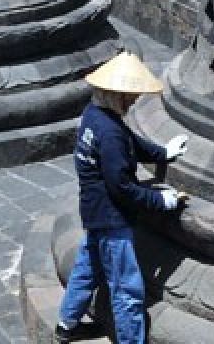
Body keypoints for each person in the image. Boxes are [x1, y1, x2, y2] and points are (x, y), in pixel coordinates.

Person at [55, 52, 189, 344]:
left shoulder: (94, 116)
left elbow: (130, 140)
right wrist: (160, 201)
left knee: (85, 270)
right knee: (126, 288)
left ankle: (66, 325)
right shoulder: (110, 131)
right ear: (117, 95)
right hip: (112, 218)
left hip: (93, 210)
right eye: (130, 96)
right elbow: (122, 187)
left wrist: (161, 153)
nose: (134, 101)